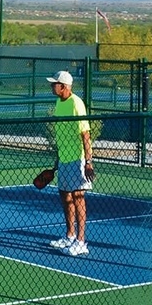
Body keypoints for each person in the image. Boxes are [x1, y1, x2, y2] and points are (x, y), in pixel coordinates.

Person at [47, 70, 93, 257]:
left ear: (64, 86)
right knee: (65, 197)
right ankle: (70, 236)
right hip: (64, 159)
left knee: (78, 197)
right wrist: (57, 160)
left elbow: (86, 134)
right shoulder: (59, 102)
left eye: (54, 84)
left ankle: (81, 241)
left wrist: (88, 162)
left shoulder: (76, 104)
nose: (52, 86)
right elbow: (61, 134)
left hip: (77, 159)